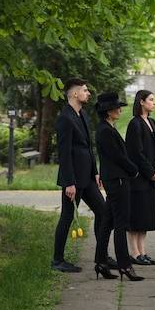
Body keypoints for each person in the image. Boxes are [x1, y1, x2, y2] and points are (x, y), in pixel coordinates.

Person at [52, 77, 112, 273]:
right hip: (73, 180)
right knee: (67, 216)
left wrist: (95, 172)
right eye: (85, 90)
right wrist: (69, 182)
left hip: (87, 176)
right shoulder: (65, 118)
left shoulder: (83, 115)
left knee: (103, 212)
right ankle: (57, 260)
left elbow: (88, 146)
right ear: (75, 93)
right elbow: (64, 153)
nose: (88, 93)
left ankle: (102, 257)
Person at [94, 92, 144, 281]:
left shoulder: (106, 128)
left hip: (114, 179)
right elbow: (118, 156)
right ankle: (125, 265)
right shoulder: (105, 131)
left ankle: (101, 262)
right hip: (118, 180)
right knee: (121, 224)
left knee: (107, 223)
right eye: (117, 107)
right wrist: (134, 170)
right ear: (108, 111)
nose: (120, 110)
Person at [125, 90, 155, 266]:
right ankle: (133, 253)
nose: (154, 103)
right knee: (135, 217)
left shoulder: (153, 123)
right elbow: (136, 153)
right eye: (151, 99)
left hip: (152, 178)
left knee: (146, 217)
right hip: (139, 178)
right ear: (141, 102)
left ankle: (143, 251)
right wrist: (150, 172)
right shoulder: (135, 124)